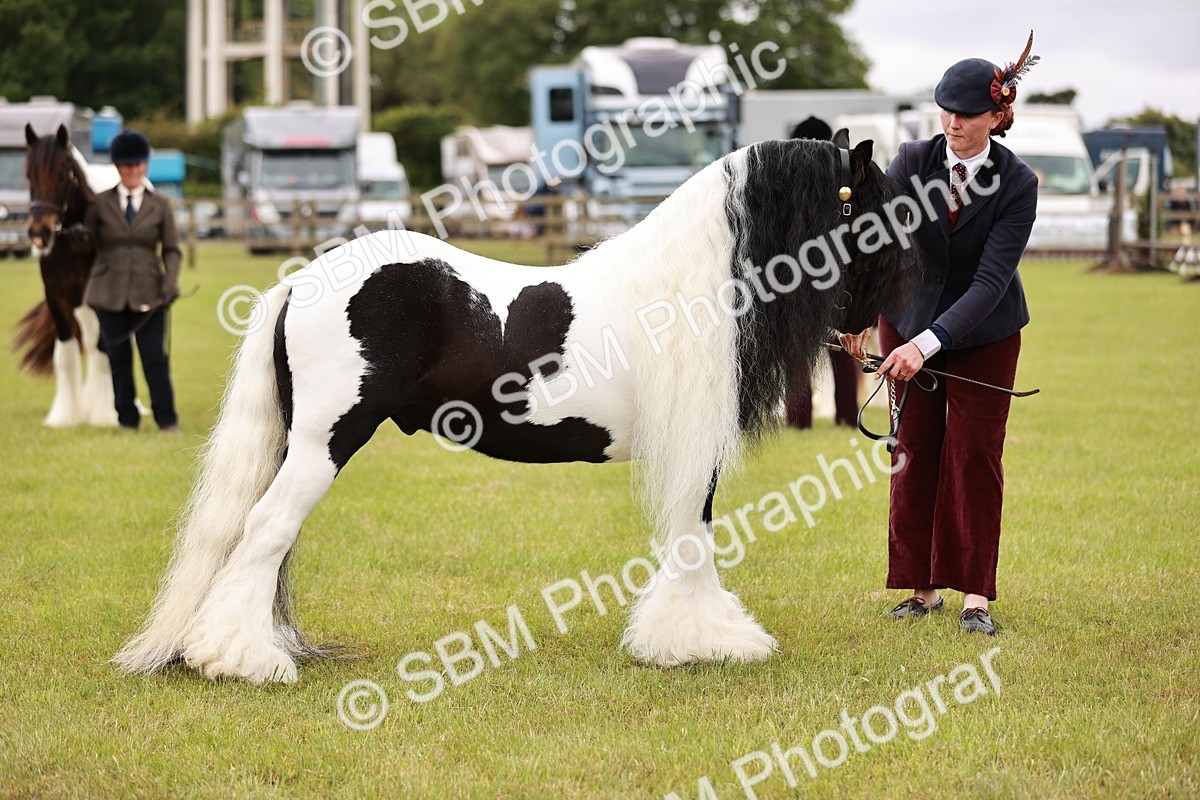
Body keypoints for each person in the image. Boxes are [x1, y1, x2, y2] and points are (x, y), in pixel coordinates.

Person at [840, 34, 1041, 635]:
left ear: (998, 116)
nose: (953, 123)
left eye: (967, 113)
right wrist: (858, 315)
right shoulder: (911, 161)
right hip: (905, 316)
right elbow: (879, 247)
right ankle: (920, 590)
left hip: (987, 332)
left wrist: (924, 344)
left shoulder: (1018, 183)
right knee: (914, 450)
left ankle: (976, 596)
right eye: (946, 110)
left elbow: (989, 281)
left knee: (974, 456)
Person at [84, 129, 182, 432]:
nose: (133, 171)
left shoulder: (161, 204)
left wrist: (169, 285)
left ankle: (167, 420)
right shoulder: (99, 203)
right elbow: (87, 246)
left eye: (138, 165)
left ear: (145, 166)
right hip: (108, 293)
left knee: (154, 359)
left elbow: (172, 250)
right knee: (118, 360)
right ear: (117, 167)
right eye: (127, 166)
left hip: (150, 293)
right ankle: (127, 420)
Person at [784, 116, 861, 429]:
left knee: (798, 355)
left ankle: (799, 421)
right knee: (843, 350)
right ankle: (847, 415)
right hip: (837, 274)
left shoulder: (785, 180)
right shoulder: (843, 179)